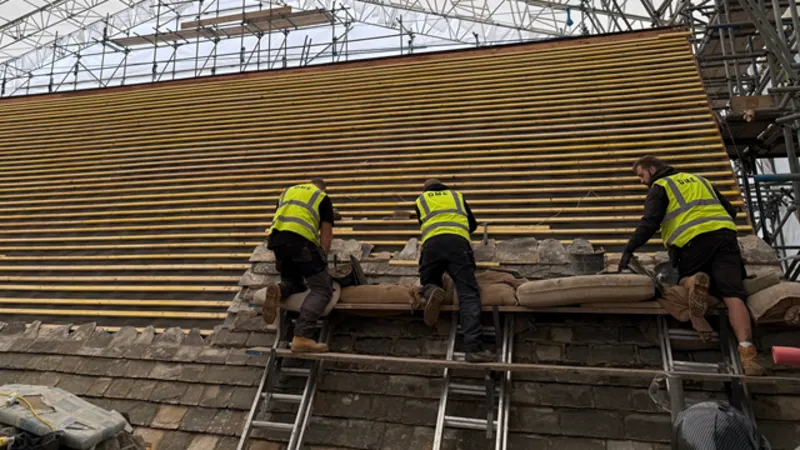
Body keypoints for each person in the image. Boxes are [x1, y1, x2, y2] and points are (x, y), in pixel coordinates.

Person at [618, 156, 766, 376]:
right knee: (733, 295)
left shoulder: (661, 186)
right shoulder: (700, 180)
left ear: (652, 169)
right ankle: (748, 355)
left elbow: (650, 222)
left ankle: (691, 283)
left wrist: (629, 250)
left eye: (641, 176)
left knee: (678, 281)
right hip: (725, 239)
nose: (642, 181)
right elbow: (731, 211)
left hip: (692, 243)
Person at [414, 179, 494, 362]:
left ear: (426, 189)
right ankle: (473, 348)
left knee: (428, 280)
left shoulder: (421, 200)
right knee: (468, 293)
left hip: (432, 245)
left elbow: (425, 223)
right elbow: (472, 224)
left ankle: (432, 289)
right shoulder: (456, 196)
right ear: (444, 187)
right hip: (458, 245)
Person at [262, 178, 334, 353]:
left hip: (277, 242)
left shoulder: (288, 192)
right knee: (322, 289)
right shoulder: (321, 197)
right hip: (301, 243)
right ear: (323, 188)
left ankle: (279, 290)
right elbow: (326, 234)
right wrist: (322, 258)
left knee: (295, 282)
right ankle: (302, 337)